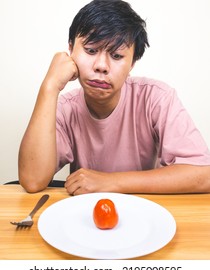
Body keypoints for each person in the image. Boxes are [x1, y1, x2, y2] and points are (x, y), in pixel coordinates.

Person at [18, 0, 210, 195]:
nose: (101, 65)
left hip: (145, 212)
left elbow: (204, 175)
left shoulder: (156, 98)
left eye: (117, 56)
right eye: (91, 50)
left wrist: (110, 182)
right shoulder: (65, 109)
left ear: (133, 63)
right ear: (70, 50)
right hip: (86, 215)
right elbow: (32, 181)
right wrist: (49, 88)